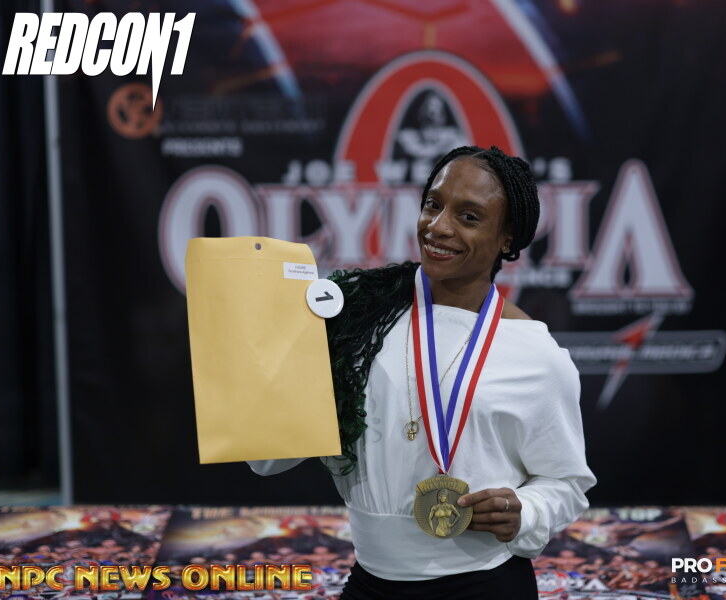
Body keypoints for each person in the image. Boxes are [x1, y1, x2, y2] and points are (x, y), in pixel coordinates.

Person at [248, 145, 596, 598]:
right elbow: (270, 455)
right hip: (370, 581)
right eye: (434, 204)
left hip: (485, 585)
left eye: (469, 217)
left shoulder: (536, 355)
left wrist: (525, 511)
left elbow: (566, 483)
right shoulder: (356, 316)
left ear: (507, 238)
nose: (438, 226)